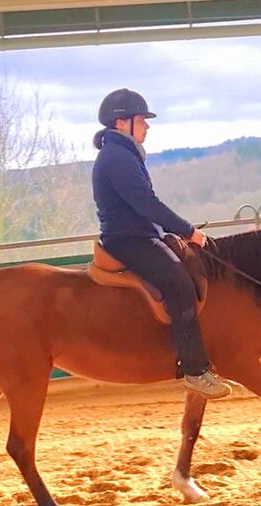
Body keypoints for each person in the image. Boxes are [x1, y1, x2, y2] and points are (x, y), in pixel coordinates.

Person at [92, 88, 231, 399]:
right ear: (120, 123)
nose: (147, 126)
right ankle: (195, 370)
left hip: (142, 233)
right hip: (129, 239)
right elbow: (146, 203)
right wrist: (187, 230)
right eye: (141, 120)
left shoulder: (124, 153)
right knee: (178, 283)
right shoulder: (117, 157)